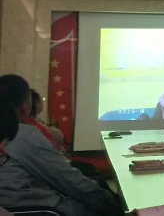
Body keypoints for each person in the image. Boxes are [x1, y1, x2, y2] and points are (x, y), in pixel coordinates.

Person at [0, 74, 122, 216]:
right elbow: (67, 179)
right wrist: (110, 203)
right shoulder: (22, 134)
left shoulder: (17, 132)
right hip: (34, 207)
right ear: (24, 106)